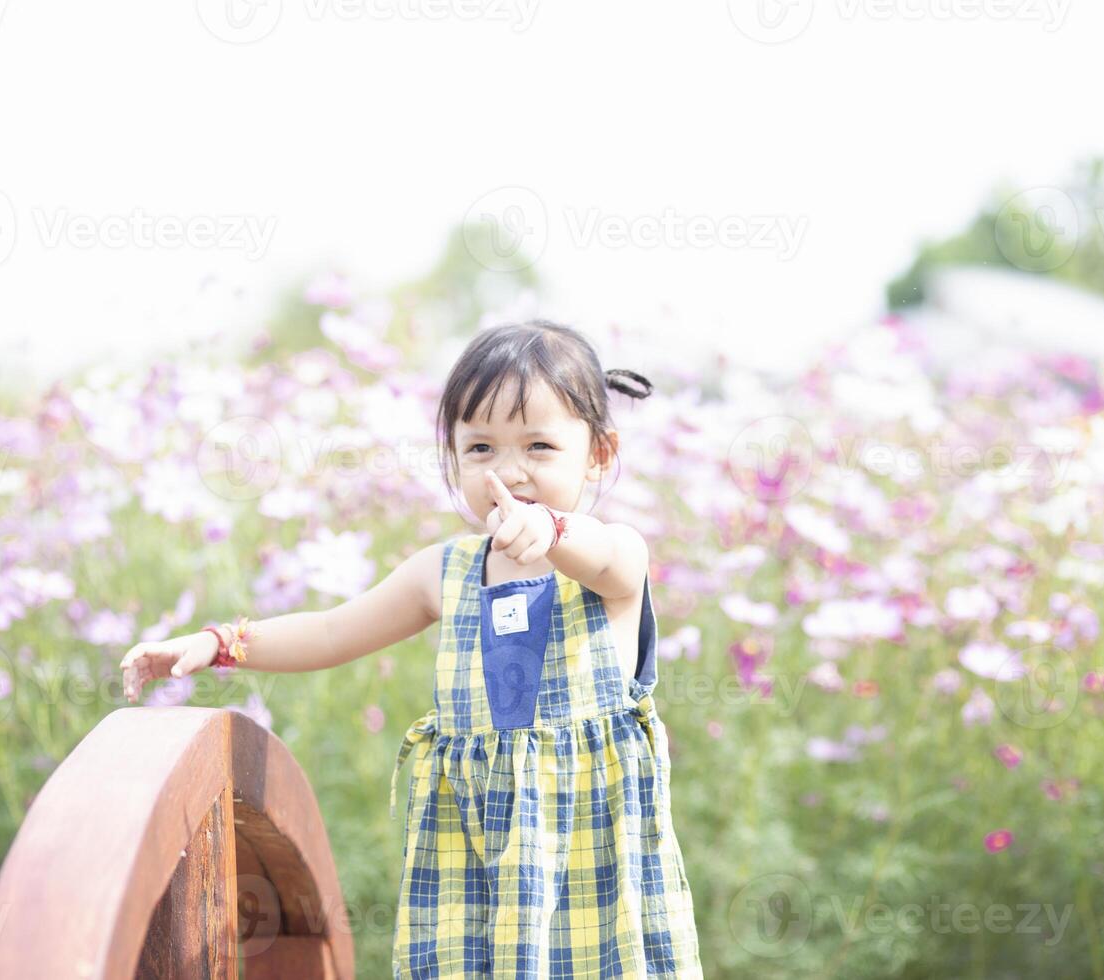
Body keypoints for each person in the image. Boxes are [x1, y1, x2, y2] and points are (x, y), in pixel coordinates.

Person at [118, 319, 703, 978]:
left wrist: (551, 528)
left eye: (540, 445)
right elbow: (335, 630)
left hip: (589, 858)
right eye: (481, 447)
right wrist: (221, 642)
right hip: (473, 858)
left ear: (598, 452)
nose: (509, 471)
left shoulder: (614, 556)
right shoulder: (445, 572)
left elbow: (602, 559)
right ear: (452, 455)